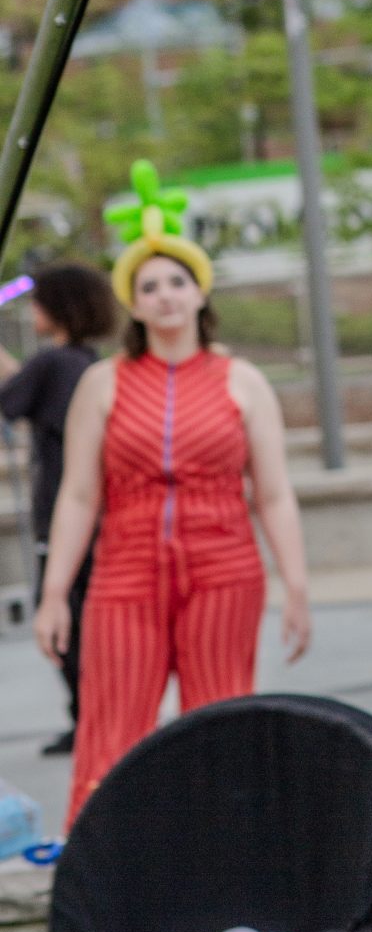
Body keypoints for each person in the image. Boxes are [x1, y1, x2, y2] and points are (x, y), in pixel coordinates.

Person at [37, 211, 312, 821]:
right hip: (125, 570)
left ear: (201, 292)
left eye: (176, 282)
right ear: (132, 305)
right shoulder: (102, 383)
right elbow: (80, 496)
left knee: (220, 716)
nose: (165, 296)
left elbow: (273, 493)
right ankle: (105, 865)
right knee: (112, 720)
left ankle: (230, 856)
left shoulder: (243, 382)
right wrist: (55, 592)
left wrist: (296, 583)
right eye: (149, 287)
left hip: (224, 566)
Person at [0, 264, 119, 755]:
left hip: (64, 517)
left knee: (66, 619)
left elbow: (8, 397)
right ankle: (94, 714)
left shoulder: (55, 365)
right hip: (94, 517)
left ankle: (87, 718)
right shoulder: (84, 363)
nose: (32, 310)